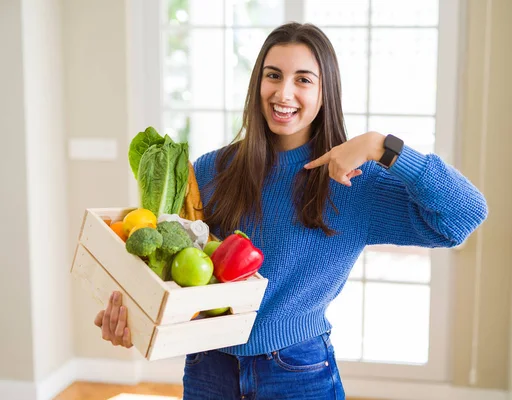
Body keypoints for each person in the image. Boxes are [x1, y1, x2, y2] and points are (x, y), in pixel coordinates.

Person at [94, 22, 488, 399]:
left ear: (324, 92)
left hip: (297, 371)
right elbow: (170, 270)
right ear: (257, 84)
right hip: (207, 367)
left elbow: (463, 215)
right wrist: (138, 317)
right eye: (273, 75)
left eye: (303, 79)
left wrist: (380, 146)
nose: (284, 93)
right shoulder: (210, 170)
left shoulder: (356, 181)